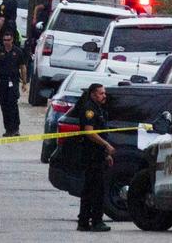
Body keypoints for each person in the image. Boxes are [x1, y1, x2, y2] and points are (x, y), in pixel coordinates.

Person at [76, 83, 114, 232]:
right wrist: (106, 145)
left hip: (98, 155)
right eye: (101, 93)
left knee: (90, 189)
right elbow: (89, 132)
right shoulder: (89, 110)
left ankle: (84, 221)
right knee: (96, 190)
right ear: (93, 94)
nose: (104, 96)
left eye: (104, 93)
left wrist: (106, 155)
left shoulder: (98, 109)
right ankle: (96, 221)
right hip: (91, 156)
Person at [0, 32, 27, 137]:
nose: (6, 42)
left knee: (12, 104)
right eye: (4, 40)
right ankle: (8, 129)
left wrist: (24, 82)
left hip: (13, 81)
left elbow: (23, 67)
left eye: (8, 40)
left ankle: (15, 128)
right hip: (2, 82)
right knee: (4, 105)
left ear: (12, 40)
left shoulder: (18, 52)